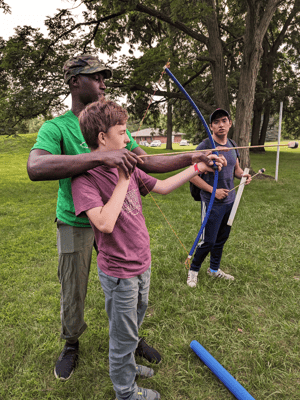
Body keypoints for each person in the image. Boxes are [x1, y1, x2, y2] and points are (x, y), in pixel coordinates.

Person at [26, 54, 216, 381]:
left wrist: (193, 157)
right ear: (75, 82)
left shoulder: (111, 126)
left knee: (125, 286)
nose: (102, 84)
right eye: (96, 77)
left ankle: (130, 338)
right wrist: (100, 158)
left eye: (104, 78)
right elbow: (36, 167)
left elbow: (146, 164)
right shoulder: (55, 127)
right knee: (73, 288)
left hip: (116, 220)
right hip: (77, 220)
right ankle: (72, 343)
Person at [71, 99, 225, 400]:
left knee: (134, 325)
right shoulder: (85, 178)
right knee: (122, 336)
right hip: (119, 274)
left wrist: (199, 166)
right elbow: (103, 223)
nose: (128, 139)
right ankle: (125, 392)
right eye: (123, 132)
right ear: (103, 138)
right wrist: (123, 178)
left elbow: (164, 186)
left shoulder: (128, 165)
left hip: (142, 264)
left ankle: (128, 365)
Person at [187, 108, 252, 288]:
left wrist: (243, 176)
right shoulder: (205, 147)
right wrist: (212, 191)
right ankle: (193, 271)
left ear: (230, 123)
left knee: (221, 238)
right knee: (208, 240)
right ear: (211, 126)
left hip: (229, 202)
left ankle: (214, 269)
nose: (220, 125)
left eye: (224, 120)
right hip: (211, 201)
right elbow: (190, 175)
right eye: (216, 122)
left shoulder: (231, 145)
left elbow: (236, 169)